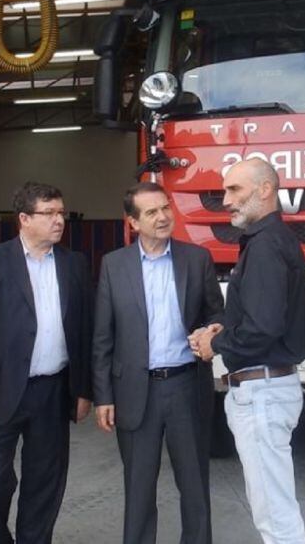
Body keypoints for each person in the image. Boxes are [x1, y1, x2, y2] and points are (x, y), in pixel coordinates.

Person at [190, 158, 305, 544]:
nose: (226, 200)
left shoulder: (264, 246)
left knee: (275, 516)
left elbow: (264, 327)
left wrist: (216, 343)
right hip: (268, 389)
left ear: (265, 190)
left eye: (235, 189)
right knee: (274, 507)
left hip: (262, 393)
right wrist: (226, 329)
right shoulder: (273, 240)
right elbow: (267, 317)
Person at [0, 181, 93, 544]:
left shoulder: (74, 264)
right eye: (48, 213)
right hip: (1, 390)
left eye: (61, 213)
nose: (58, 220)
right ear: (24, 219)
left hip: (54, 390)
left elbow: (84, 330)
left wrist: (83, 389)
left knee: (45, 480)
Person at [93, 182, 224, 544]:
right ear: (133, 222)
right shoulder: (114, 265)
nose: (163, 216)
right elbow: (103, 337)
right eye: (151, 212)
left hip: (187, 386)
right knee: (138, 488)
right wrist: (104, 396)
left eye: (165, 208)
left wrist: (212, 330)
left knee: (195, 487)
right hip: (136, 390)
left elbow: (217, 313)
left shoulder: (196, 259)